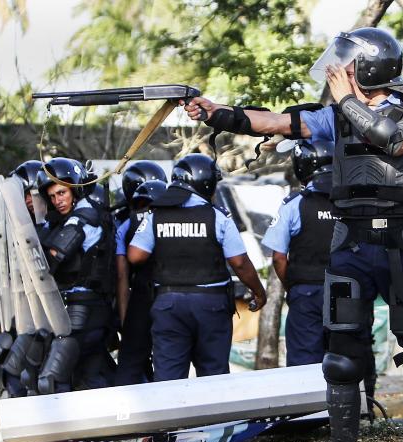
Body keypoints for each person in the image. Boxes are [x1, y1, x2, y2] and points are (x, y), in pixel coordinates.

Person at [183, 27, 403, 442]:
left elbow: (393, 141)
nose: (340, 69)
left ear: (371, 67)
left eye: (349, 63)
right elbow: (276, 122)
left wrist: (346, 102)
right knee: (340, 356)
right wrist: (215, 112)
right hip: (351, 242)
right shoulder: (336, 115)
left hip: (401, 243)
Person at [127, 154, 267, 382]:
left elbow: (135, 256)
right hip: (211, 305)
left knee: (168, 379)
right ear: (208, 183)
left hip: (168, 304)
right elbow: (239, 262)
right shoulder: (217, 216)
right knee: (213, 377)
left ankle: (172, 417)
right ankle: (216, 419)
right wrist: (259, 293)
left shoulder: (156, 214)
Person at [37, 157, 115, 392]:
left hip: (87, 307)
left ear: (75, 190)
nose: (57, 201)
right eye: (52, 197)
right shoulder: (73, 217)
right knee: (89, 374)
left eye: (62, 193)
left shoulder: (84, 217)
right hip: (82, 307)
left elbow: (54, 255)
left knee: (54, 376)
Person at [0, 159, 47, 398]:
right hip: (23, 312)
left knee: (33, 378)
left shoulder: (55, 227)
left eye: (29, 194)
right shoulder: (15, 228)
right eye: (22, 195)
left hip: (50, 315)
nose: (26, 201)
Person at [262, 140, 335, 366]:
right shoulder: (352, 202)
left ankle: (311, 403)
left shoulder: (295, 205)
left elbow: (278, 257)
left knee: (304, 363)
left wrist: (292, 285)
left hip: (306, 292)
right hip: (348, 292)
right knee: (349, 359)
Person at [114, 161, 168, 385]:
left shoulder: (124, 224)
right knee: (170, 364)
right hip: (169, 295)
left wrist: (126, 321)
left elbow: (121, 277)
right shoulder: (174, 218)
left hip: (141, 296)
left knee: (130, 362)